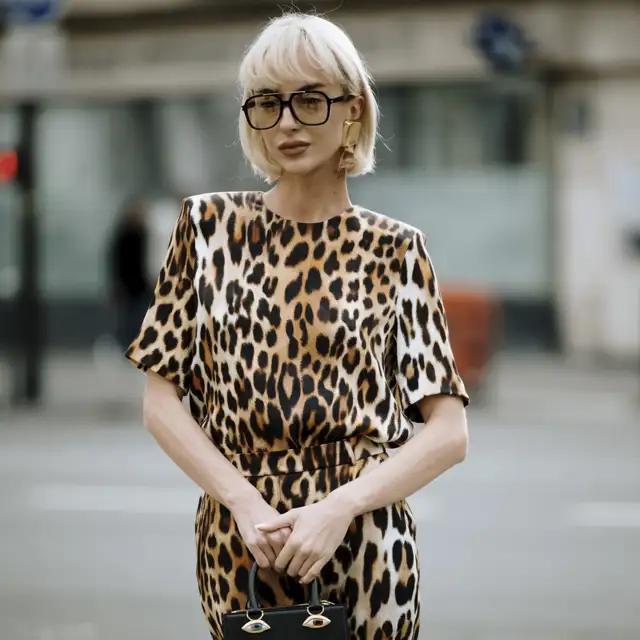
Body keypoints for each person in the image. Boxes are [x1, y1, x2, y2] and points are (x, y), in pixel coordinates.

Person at [125, 12, 469, 640]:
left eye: (310, 100)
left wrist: (340, 508)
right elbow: (160, 403)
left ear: (353, 111)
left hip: (367, 539)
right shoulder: (205, 229)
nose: (286, 121)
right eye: (268, 102)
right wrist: (242, 501)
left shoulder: (395, 249)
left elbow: (448, 433)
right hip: (244, 542)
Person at [107, 197, 152, 352]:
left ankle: (136, 346)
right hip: (129, 285)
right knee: (129, 318)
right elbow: (119, 262)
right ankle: (127, 346)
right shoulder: (126, 235)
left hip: (141, 284)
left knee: (139, 317)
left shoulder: (143, 235)